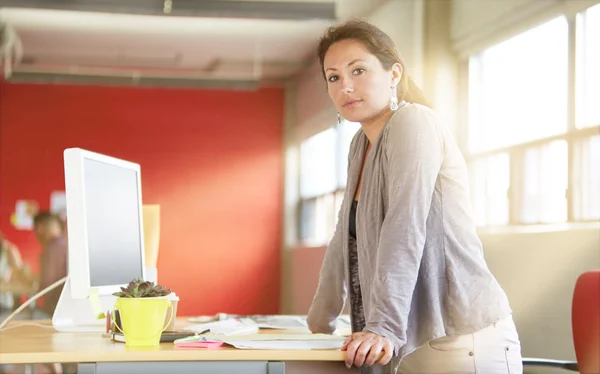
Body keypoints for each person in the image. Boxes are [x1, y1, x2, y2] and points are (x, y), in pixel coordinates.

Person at [306, 20, 522, 374]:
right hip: (407, 344)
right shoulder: (360, 146)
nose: (345, 85)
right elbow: (341, 238)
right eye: (333, 77)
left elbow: (404, 224)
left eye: (358, 70)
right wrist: (317, 325)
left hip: (458, 338)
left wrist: (382, 327)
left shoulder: (414, 123)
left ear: (394, 73)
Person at [33, 211, 68, 317]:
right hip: (68, 308)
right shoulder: (65, 245)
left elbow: (47, 284)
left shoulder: (51, 249)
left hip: (55, 310)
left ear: (40, 228)